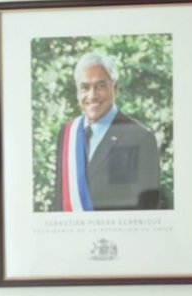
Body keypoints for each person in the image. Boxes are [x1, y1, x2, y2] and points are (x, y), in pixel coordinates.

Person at [53, 51, 162, 211]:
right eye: (85, 87)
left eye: (101, 86)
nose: (92, 95)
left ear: (115, 88)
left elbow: (148, 209)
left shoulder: (140, 137)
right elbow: (60, 200)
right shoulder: (67, 133)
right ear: (77, 92)